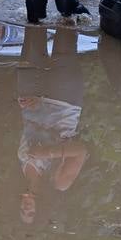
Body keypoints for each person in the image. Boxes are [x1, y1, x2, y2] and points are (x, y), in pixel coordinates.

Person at [16, 26, 87, 224]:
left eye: (22, 212)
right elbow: (80, 151)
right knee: (66, 26)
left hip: (30, 95)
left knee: (33, 24)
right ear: (43, 211)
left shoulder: (19, 172)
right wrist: (47, 153)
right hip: (64, 101)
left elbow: (29, 128)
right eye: (30, 214)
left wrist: (24, 105)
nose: (25, 209)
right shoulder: (59, 183)